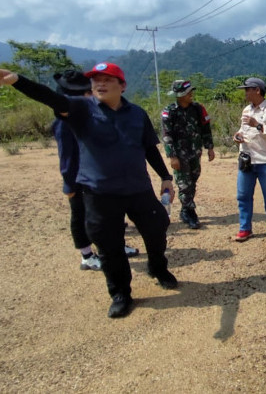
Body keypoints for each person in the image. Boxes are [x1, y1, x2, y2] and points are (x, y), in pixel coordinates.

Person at [0, 62, 177, 318]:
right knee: (109, 246)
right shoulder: (80, 108)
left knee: (157, 228)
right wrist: (17, 80)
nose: (100, 84)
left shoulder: (137, 114)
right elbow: (49, 97)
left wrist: (165, 177)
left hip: (138, 189)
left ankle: (158, 268)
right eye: (96, 80)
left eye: (107, 79)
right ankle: (120, 294)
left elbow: (149, 147)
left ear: (122, 86)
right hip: (99, 193)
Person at [52, 70, 140, 272]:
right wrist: (69, 183)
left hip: (101, 177)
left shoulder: (93, 114)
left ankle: (116, 246)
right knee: (82, 215)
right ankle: (87, 255)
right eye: (87, 92)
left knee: (111, 214)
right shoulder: (65, 121)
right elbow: (66, 155)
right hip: (80, 178)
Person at [233, 77, 266, 242]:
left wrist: (258, 125)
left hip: (264, 161)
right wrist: (238, 136)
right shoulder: (246, 110)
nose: (245, 92)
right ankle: (245, 229)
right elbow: (242, 129)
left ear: (257, 90)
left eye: (248, 89)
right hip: (247, 159)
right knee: (243, 195)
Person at [162, 79, 215, 228]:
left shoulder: (198, 109)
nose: (191, 94)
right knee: (184, 183)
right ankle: (189, 211)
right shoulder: (170, 111)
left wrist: (209, 148)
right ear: (179, 95)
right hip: (180, 155)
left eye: (191, 91)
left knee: (193, 180)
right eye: (187, 92)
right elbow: (167, 136)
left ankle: (186, 208)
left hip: (195, 152)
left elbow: (206, 128)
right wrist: (172, 156)